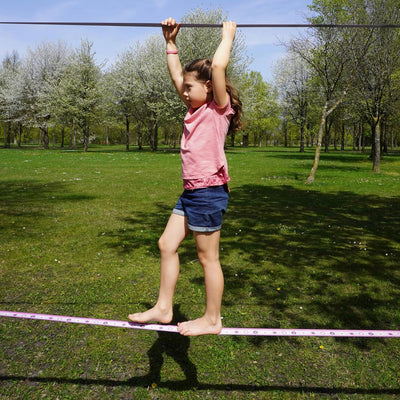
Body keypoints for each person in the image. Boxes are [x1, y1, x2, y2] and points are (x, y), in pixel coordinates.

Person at [128, 17, 242, 336]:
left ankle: (212, 319)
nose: (184, 91)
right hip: (191, 192)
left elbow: (218, 68)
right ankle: (164, 308)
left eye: (190, 88)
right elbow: (178, 75)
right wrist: (170, 43)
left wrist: (227, 36)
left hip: (209, 191)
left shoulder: (219, 108)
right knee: (166, 244)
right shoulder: (194, 109)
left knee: (208, 259)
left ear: (208, 87)